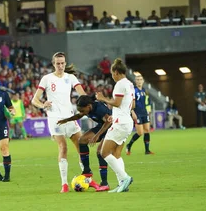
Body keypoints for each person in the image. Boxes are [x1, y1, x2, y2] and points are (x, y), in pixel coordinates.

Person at [31, 52, 88, 193]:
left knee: (82, 147)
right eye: (58, 63)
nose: (61, 66)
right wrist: (42, 105)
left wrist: (89, 105)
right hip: (55, 119)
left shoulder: (71, 77)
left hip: (70, 117)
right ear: (53, 64)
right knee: (63, 148)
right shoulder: (47, 79)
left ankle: (87, 178)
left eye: (63, 63)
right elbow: (34, 100)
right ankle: (64, 184)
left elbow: (83, 95)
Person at [95, 58, 136, 193]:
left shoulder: (119, 84)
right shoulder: (130, 84)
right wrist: (117, 113)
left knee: (104, 152)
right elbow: (132, 105)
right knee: (117, 154)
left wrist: (103, 99)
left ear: (117, 72)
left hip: (120, 123)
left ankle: (125, 178)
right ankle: (122, 185)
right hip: (127, 122)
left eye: (112, 73)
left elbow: (117, 103)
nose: (112, 76)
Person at [56, 95, 112, 190]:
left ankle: (104, 183)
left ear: (89, 106)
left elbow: (109, 122)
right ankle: (87, 170)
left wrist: (97, 135)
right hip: (102, 127)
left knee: (100, 152)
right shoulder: (87, 108)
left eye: (82, 110)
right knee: (81, 140)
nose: (81, 112)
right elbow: (79, 115)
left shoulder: (99, 108)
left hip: (112, 127)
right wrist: (66, 120)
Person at [124, 73, 154, 155]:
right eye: (137, 80)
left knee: (147, 130)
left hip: (144, 113)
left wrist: (148, 110)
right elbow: (130, 102)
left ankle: (147, 150)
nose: (139, 81)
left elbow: (147, 102)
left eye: (141, 80)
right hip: (137, 114)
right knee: (140, 132)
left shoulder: (144, 91)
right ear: (135, 81)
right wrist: (132, 112)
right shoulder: (133, 90)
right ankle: (129, 145)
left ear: (143, 81)